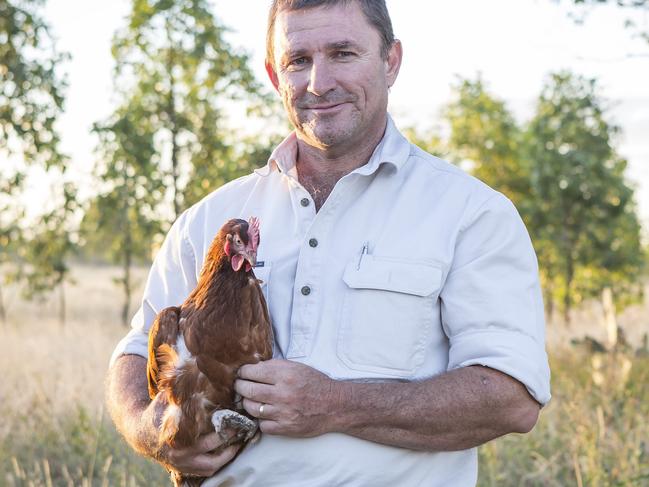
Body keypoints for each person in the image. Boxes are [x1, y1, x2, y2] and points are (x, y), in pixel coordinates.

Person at [106, 1, 552, 485]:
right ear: (275, 76)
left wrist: (336, 405)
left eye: (342, 53)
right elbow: (136, 349)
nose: (318, 82)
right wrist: (146, 430)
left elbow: (513, 398)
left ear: (391, 61)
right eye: (298, 60)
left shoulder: (470, 213)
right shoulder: (210, 219)